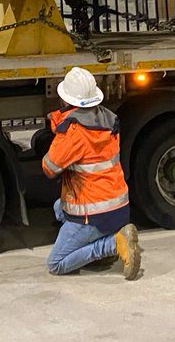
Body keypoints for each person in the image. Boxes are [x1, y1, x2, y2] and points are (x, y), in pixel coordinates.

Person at [41, 66, 141, 280]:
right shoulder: (108, 119)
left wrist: (59, 129)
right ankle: (105, 239)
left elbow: (49, 168)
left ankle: (111, 245)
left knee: (56, 264)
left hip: (93, 214)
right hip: (117, 206)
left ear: (66, 99)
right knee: (59, 207)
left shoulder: (74, 131)